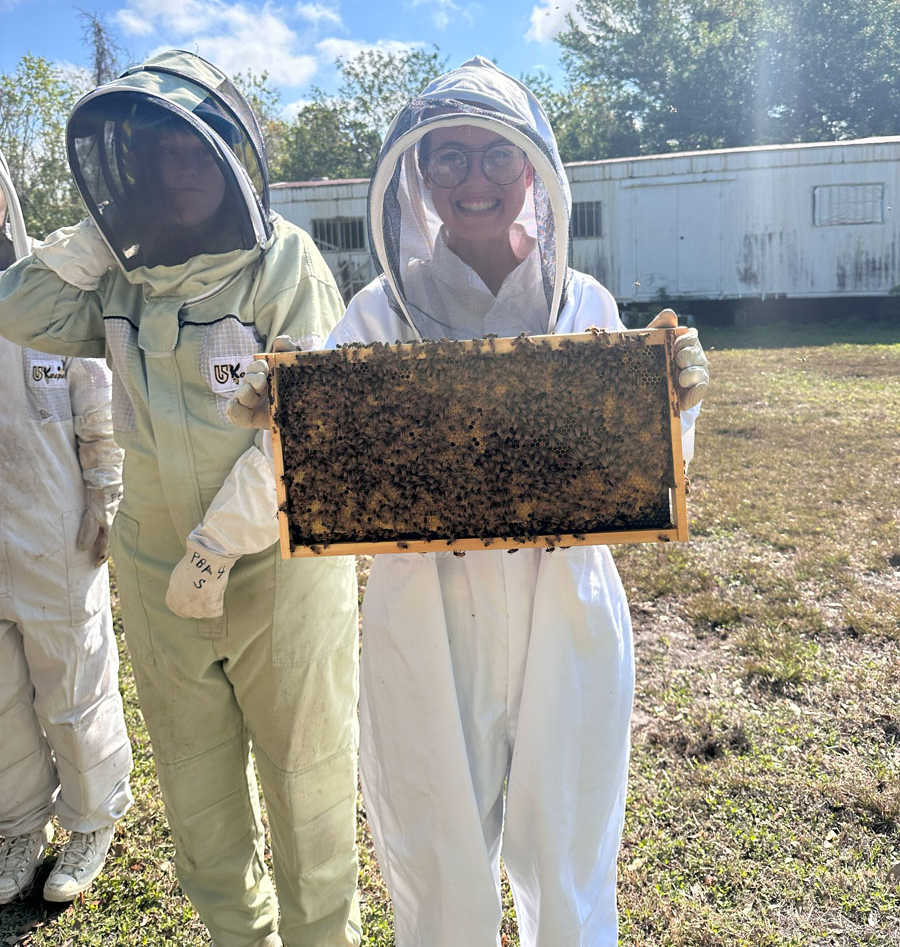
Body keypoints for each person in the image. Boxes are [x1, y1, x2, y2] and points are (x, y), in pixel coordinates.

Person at [231, 56, 709, 947]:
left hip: (563, 606)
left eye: (494, 155)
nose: (473, 179)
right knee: (437, 854)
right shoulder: (375, 314)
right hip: (425, 614)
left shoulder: (587, 303)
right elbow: (314, 480)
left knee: (565, 846)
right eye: (446, 159)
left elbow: (645, 474)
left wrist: (674, 407)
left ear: (532, 170)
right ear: (417, 177)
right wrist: (281, 424)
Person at [0, 51, 361, 947]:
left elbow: (307, 425)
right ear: (134, 169)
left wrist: (220, 545)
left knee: (307, 791)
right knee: (199, 802)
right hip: (160, 576)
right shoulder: (116, 279)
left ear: (234, 154)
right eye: (158, 156)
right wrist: (92, 233)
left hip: (279, 574)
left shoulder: (288, 265)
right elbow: (18, 310)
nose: (181, 170)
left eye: (196, 149)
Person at [0, 149, 132, 905]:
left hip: (56, 528)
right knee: (3, 697)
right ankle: (17, 825)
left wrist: (102, 497)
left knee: (74, 684)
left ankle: (91, 820)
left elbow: (98, 399)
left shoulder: (50, 288)